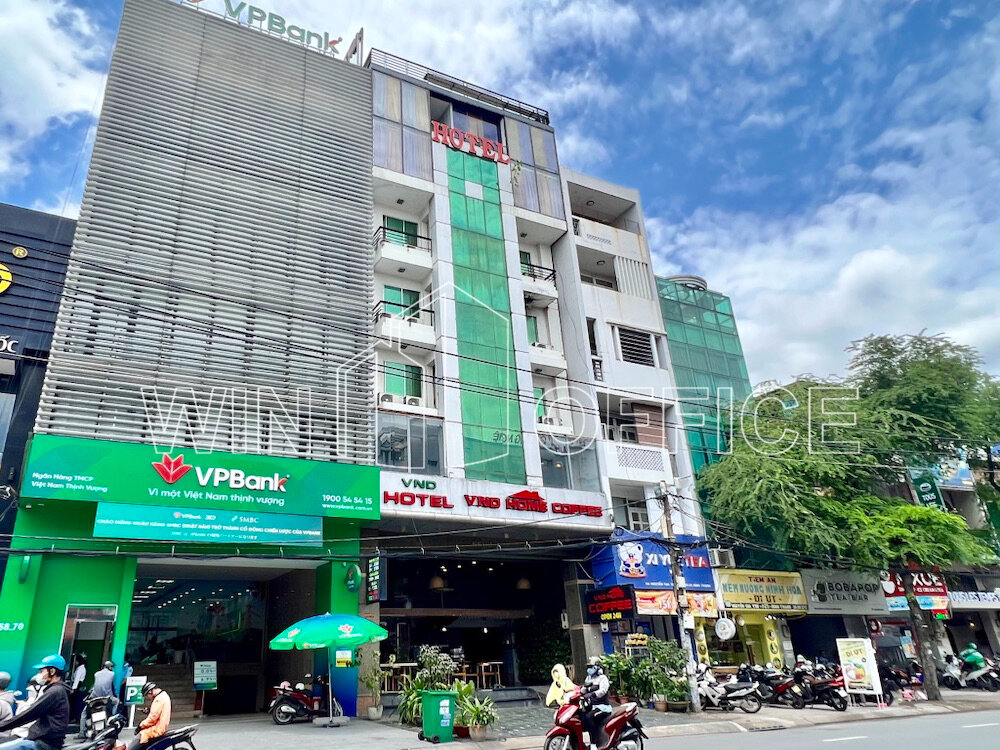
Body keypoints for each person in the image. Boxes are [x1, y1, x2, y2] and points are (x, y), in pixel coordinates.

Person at [0, 654, 71, 750]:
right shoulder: (56, 690)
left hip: (43, 743)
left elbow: (29, 714)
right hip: (38, 739)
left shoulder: (55, 692)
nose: (39, 675)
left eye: (41, 671)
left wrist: (2, 726)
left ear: (52, 671)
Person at [76, 662, 116, 739]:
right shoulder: (112, 674)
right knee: (117, 702)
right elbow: (112, 687)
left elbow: (95, 686)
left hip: (94, 699)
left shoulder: (96, 674)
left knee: (84, 714)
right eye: (112, 667)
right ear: (110, 667)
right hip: (106, 699)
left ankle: (81, 733)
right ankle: (112, 719)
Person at [126, 682, 170, 750]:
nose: (148, 698)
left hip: (158, 728)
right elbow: (157, 712)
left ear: (150, 692)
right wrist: (149, 710)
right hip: (161, 726)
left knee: (139, 738)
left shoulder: (158, 699)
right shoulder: (163, 695)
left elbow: (152, 718)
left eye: (146, 695)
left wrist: (140, 726)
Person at [580, 657, 611, 750]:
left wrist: (592, 694)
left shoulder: (603, 678)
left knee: (589, 717)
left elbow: (603, 691)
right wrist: (583, 688)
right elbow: (583, 690)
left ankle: (594, 743)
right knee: (581, 716)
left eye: (591, 667)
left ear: (597, 667)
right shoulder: (589, 678)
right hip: (592, 706)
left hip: (603, 707)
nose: (589, 669)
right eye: (588, 667)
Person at [68, 655, 87, 724]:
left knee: (74, 704)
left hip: (76, 687)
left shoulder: (80, 669)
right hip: (77, 687)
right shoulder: (80, 668)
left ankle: (74, 718)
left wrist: (73, 689)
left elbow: (77, 680)